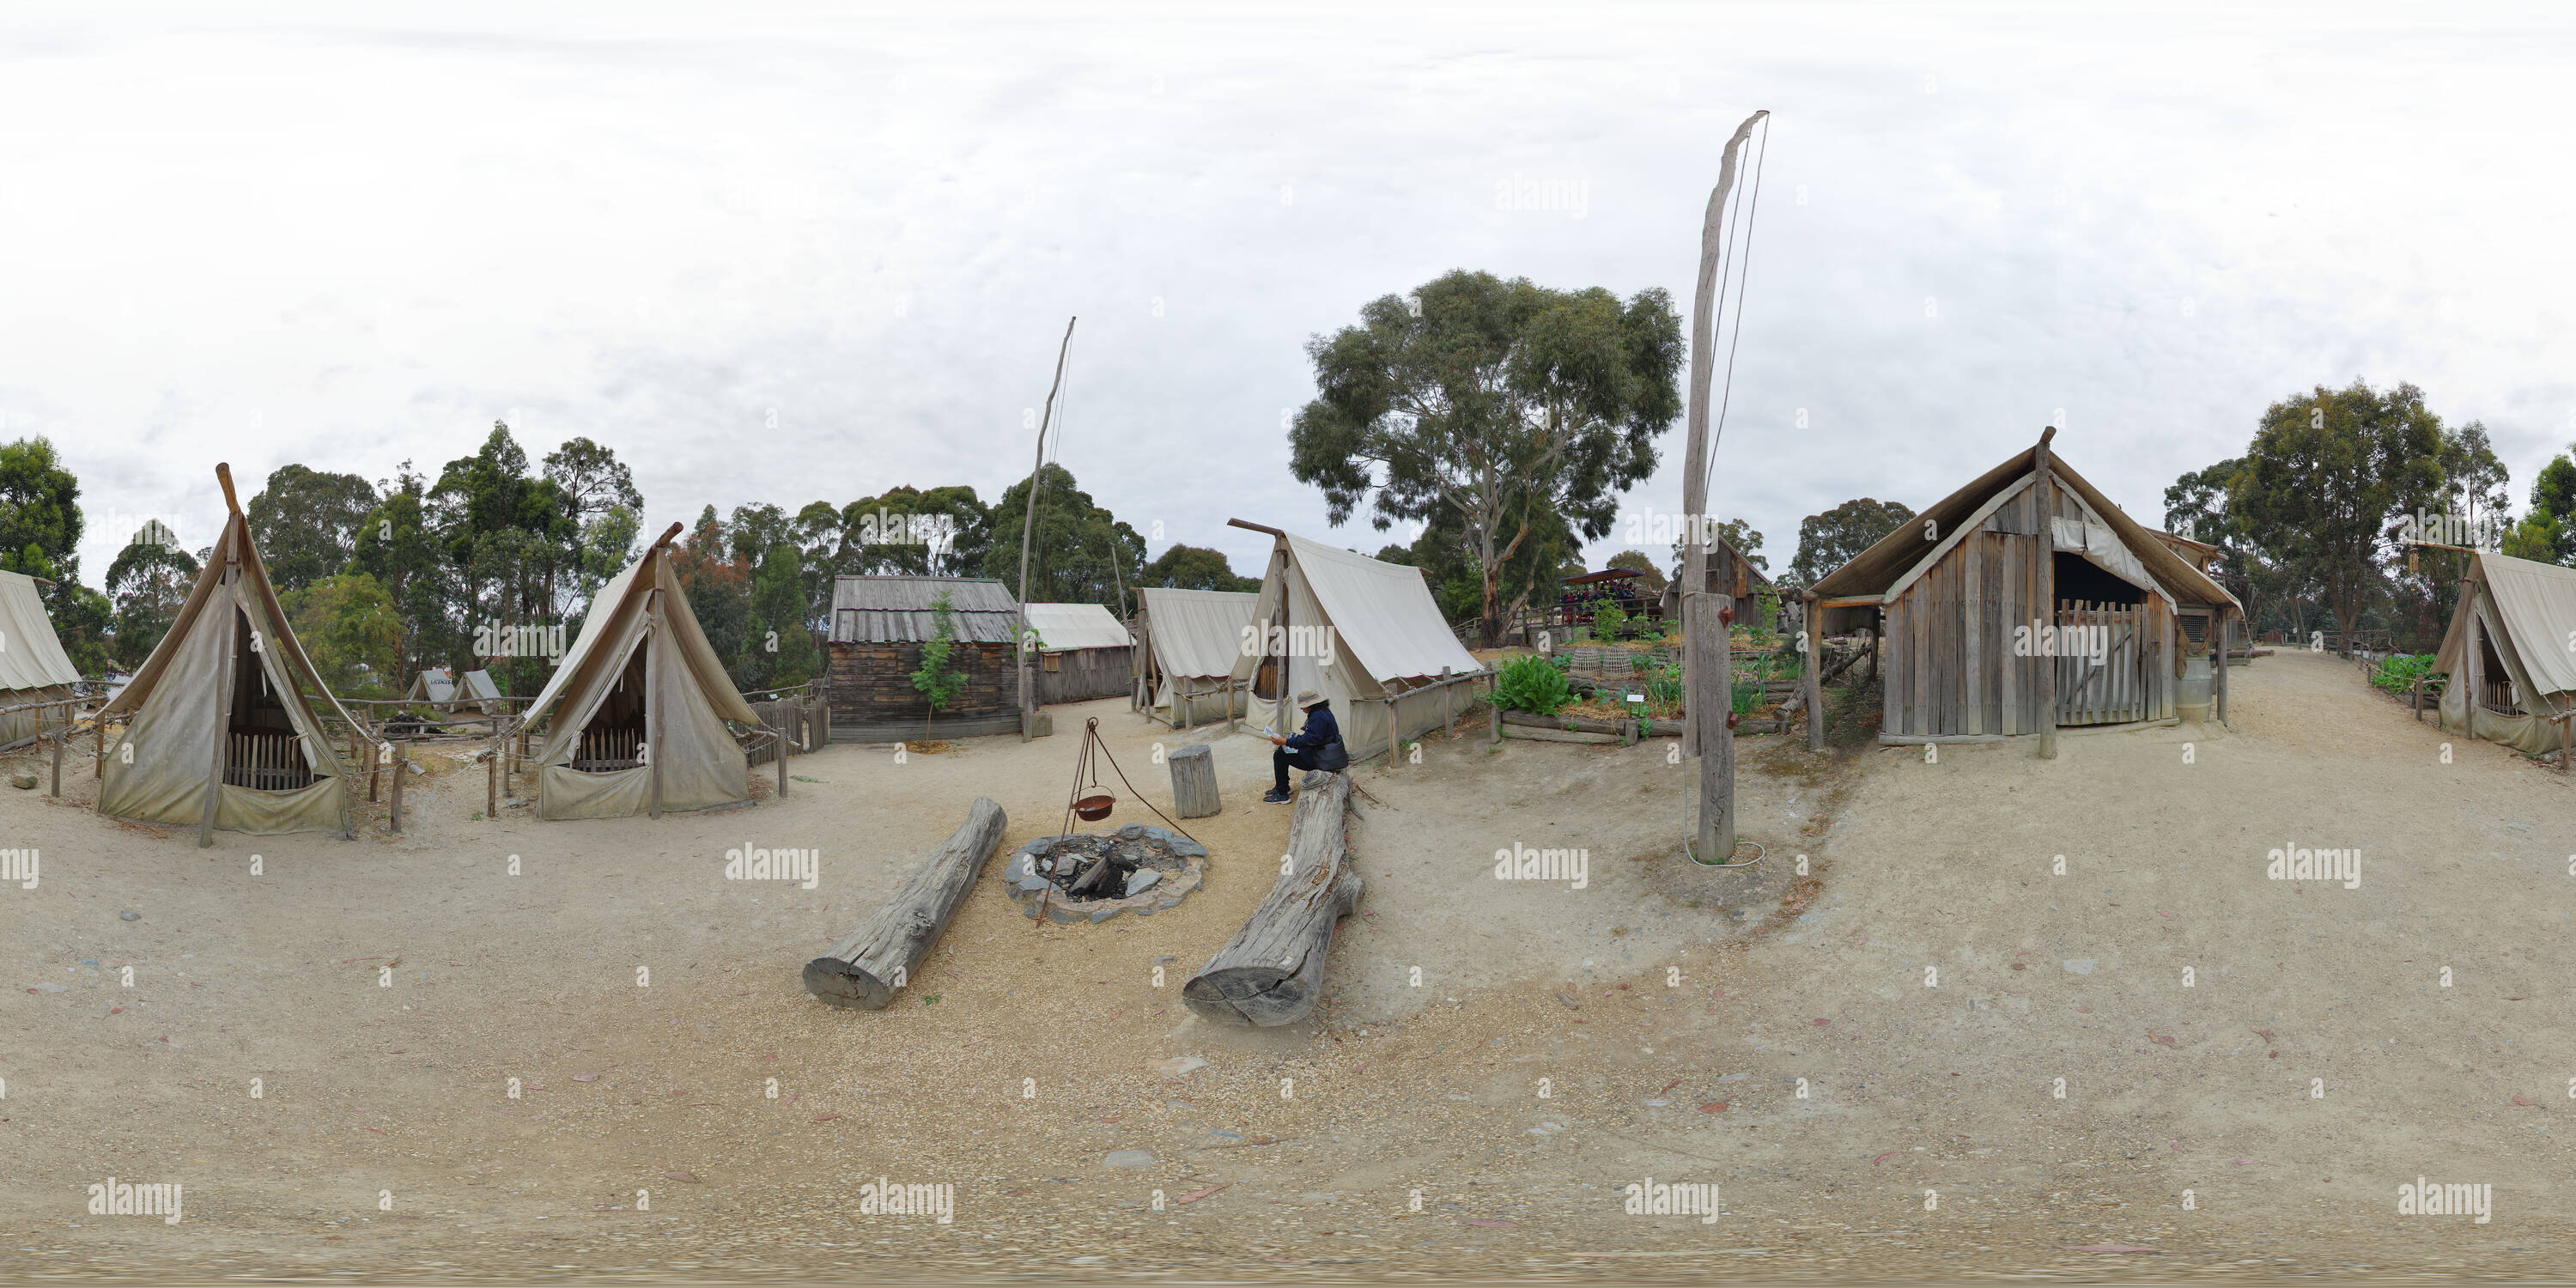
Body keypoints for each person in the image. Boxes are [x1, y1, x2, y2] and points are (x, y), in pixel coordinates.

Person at [1265, 688, 1343, 803]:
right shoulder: (1322, 712)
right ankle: (1283, 787)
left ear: (1311, 704)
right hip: (1323, 752)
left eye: (1302, 706)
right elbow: (1313, 737)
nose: (1301, 709)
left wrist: (1286, 741)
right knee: (1282, 751)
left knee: (1280, 754)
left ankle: (1282, 794)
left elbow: (1308, 741)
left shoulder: (1318, 717)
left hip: (1322, 759)